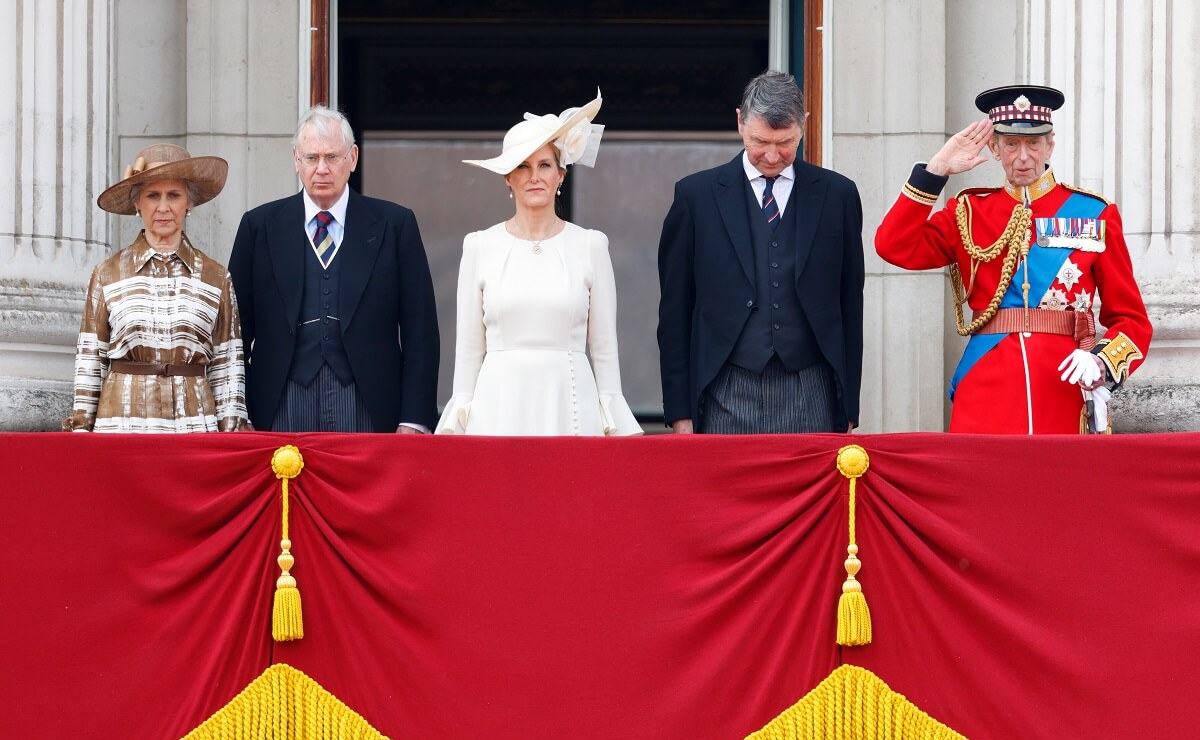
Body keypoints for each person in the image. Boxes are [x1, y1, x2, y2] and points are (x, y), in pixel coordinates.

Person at [875, 85, 1152, 434]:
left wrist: (1102, 361)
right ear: (994, 148)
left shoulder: (1094, 213)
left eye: (1033, 143)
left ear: (1050, 144)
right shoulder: (968, 211)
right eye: (1011, 144)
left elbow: (1132, 320)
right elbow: (892, 245)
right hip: (986, 384)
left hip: (1063, 383)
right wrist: (936, 171)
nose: (1023, 157)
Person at [657, 70, 865, 435]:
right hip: (724, 387)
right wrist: (679, 411)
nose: (771, 155)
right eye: (759, 141)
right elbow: (675, 312)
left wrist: (848, 405)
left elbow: (850, 305)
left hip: (811, 388)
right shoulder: (695, 198)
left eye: (785, 142)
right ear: (740, 122)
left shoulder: (838, 196)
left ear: (804, 125)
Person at [436, 91, 642, 436]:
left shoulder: (591, 245)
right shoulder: (479, 246)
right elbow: (469, 352)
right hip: (497, 410)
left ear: (561, 175)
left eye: (544, 165)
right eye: (522, 166)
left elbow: (605, 350)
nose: (535, 176)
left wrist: (613, 417)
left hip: (570, 407)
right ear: (507, 178)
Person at [228, 106, 439, 433]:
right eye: (311, 158)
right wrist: (240, 414)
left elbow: (420, 332)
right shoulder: (259, 227)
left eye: (333, 157)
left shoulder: (395, 226)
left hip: (369, 403)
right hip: (281, 402)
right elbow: (235, 335)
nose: (322, 169)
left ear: (352, 158)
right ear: (296, 160)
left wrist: (413, 419)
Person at [64, 144, 246, 432]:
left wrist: (231, 434)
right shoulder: (106, 275)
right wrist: (81, 430)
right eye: (152, 196)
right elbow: (90, 361)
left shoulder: (216, 277)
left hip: (194, 428)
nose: (163, 207)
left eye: (173, 195)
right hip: (121, 427)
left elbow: (228, 367)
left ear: (190, 203)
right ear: (137, 204)